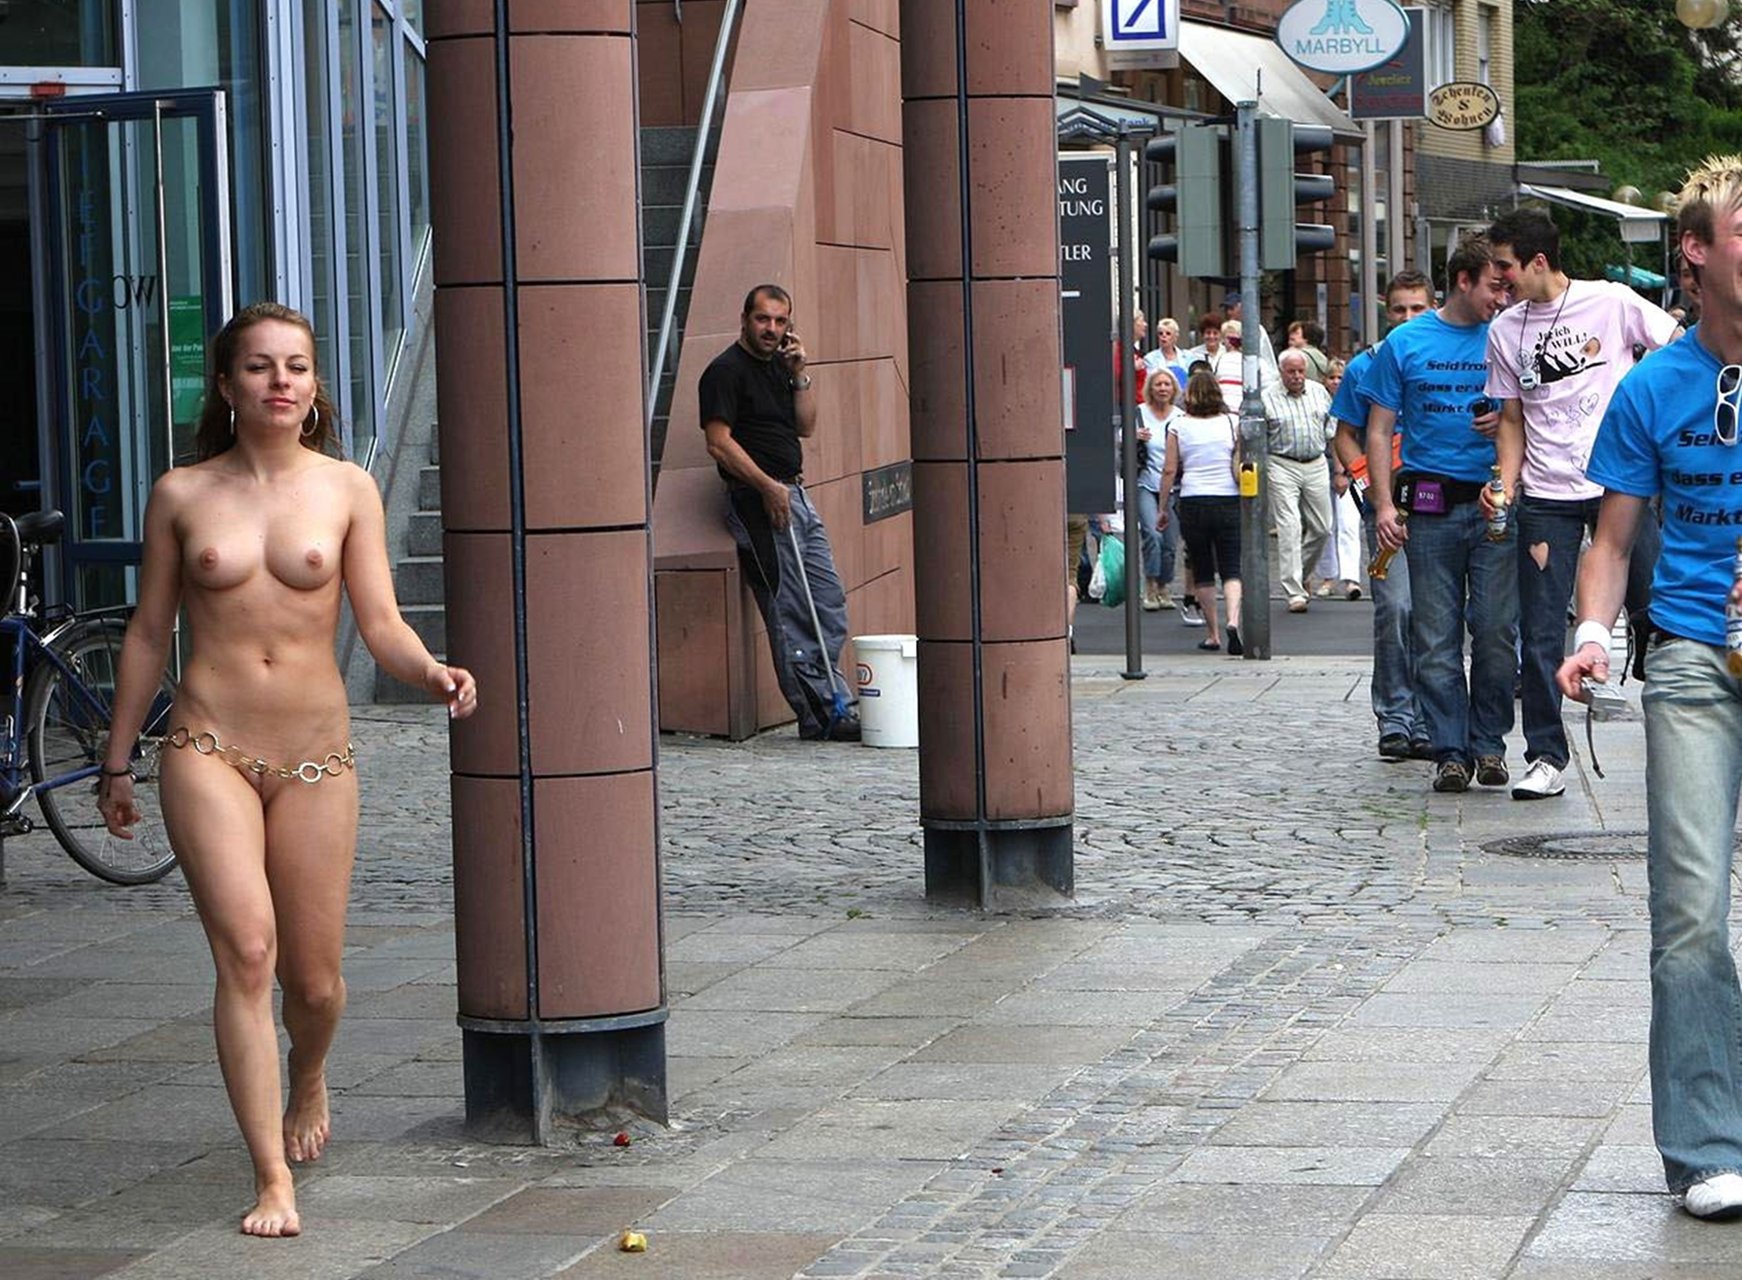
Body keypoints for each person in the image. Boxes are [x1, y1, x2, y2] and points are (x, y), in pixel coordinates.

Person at [94, 302, 478, 1237]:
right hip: (207, 748)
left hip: (315, 757)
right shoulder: (182, 493)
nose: (280, 381)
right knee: (248, 954)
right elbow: (148, 632)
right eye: (260, 366)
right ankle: (272, 1178)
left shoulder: (347, 489)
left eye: (296, 366)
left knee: (314, 984)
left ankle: (309, 1071)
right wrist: (116, 758)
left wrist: (430, 671)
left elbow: (379, 623)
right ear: (227, 384)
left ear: (314, 387)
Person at [1557, 154, 1742, 1222]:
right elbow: (1611, 541)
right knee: (1689, 912)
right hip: (1691, 663)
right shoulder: (1650, 388)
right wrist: (1591, 633)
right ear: (1696, 251)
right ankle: (1707, 1147)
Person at [1481, 206, 1680, 800]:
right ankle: (1546, 756)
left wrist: (1651, 411)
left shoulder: (1611, 301)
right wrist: (1505, 483)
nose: (1498, 278)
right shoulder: (1504, 330)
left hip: (1621, 484)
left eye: (1505, 266)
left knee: (1657, 612)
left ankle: (1676, 729)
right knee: (1541, 630)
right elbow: (1511, 419)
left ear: (1538, 261)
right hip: (1547, 494)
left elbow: (1678, 347)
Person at [1368, 237, 1514, 793]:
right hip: (1430, 508)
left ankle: (1490, 742)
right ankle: (1450, 750)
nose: (1502, 297)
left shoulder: (1507, 336)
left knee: (1496, 631)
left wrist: (1505, 421)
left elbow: (1531, 415)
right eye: (1493, 286)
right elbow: (1379, 429)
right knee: (1434, 638)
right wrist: (1384, 504)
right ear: (1463, 281)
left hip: (1493, 504)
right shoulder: (1404, 343)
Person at [701, 284, 860, 741]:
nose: (771, 329)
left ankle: (835, 697)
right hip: (759, 500)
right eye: (763, 319)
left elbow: (806, 426)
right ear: (744, 319)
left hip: (796, 494)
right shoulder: (725, 371)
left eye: (780, 321)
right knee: (791, 608)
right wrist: (767, 487)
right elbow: (718, 443)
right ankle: (820, 714)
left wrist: (800, 374)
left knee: (827, 600)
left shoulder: (780, 366)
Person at [1332, 271, 1434, 761]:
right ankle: (1395, 717)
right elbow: (1345, 434)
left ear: (1433, 307)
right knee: (1395, 608)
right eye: (1399, 309)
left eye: (1418, 308)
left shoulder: (1446, 357)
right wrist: (1371, 484)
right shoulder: (1365, 365)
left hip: (1440, 504)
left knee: (1434, 615)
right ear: (1385, 311)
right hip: (1388, 508)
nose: (1407, 318)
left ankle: (1430, 718)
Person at [1159, 367, 1244, 654]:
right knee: (1231, 567)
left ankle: (1213, 634)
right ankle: (1233, 620)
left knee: (1202, 568)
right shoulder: (1232, 422)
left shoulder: (1178, 425)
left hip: (1193, 500)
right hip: (1228, 499)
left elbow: (1169, 470)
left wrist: (1162, 508)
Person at [1260, 348, 1335, 612]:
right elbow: (1259, 438)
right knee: (1289, 527)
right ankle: (1294, 592)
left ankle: (1300, 572)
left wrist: (1339, 469)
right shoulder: (1267, 397)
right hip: (1282, 463)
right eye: (1291, 371)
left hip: (1315, 462)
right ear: (1281, 372)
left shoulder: (1319, 392)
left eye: (1301, 371)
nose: (1297, 376)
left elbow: (1331, 429)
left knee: (1323, 527)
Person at [1314, 357, 1363, 599]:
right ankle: (1327, 577)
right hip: (1320, 467)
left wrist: (1343, 472)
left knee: (1349, 524)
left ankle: (1351, 579)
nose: (1335, 382)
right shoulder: (1319, 402)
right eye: (1331, 377)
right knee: (1325, 526)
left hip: (1350, 470)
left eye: (1340, 378)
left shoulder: (1355, 402)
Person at [1134, 367, 1181, 610]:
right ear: (1150, 388)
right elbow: (1119, 439)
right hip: (1146, 482)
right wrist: (1133, 435)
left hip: (1173, 487)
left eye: (1167, 384)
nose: (1163, 388)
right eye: (1158, 384)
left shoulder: (1181, 417)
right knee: (1152, 534)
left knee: (1170, 542)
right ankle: (1150, 585)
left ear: (1174, 389)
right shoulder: (1139, 413)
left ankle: (1164, 586)